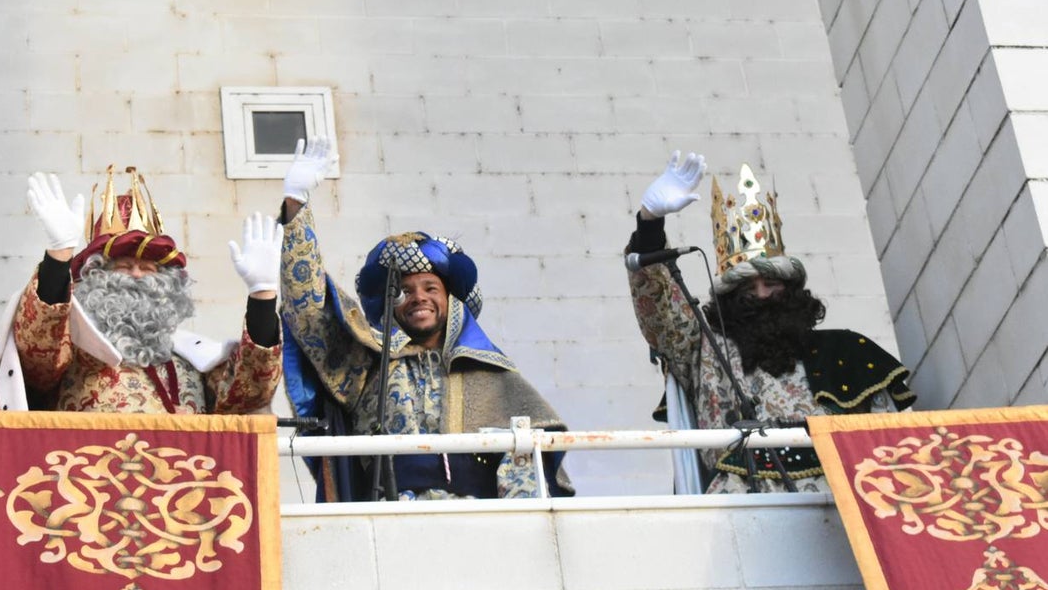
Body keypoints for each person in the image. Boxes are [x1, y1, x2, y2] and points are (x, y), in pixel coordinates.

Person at [278, 137, 573, 501]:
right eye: (404, 289)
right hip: (389, 523)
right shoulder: (368, 363)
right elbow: (310, 313)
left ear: (451, 300)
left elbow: (526, 464)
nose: (418, 296)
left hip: (477, 526)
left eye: (430, 288)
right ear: (391, 305)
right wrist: (296, 204)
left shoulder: (490, 374)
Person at [626, 151, 915, 493]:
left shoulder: (847, 350)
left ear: (792, 291)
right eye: (748, 289)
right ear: (730, 299)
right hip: (742, 496)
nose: (761, 295)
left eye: (772, 285)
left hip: (840, 496)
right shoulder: (703, 350)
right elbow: (660, 309)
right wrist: (649, 223)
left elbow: (892, 445)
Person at [0, 166, 283, 414]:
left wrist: (262, 297)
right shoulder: (73, 350)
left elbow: (248, 393)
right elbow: (37, 350)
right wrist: (58, 258)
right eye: (122, 266)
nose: (135, 274)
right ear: (94, 277)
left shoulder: (193, 359)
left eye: (148, 268)